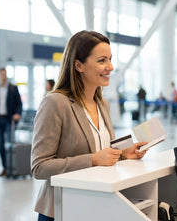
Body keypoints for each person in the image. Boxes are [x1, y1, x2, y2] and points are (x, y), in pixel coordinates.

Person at [31, 31, 148, 221]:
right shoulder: (55, 103)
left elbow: (102, 153)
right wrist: (92, 159)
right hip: (61, 210)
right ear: (78, 65)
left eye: (110, 59)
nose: (110, 67)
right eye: (102, 60)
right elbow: (40, 167)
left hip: (93, 205)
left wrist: (124, 154)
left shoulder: (102, 104)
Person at [0, 68, 22, 177]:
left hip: (9, 120)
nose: (4, 76)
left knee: (10, 144)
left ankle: (13, 167)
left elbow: (19, 104)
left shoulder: (13, 89)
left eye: (5, 74)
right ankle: (5, 168)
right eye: (2, 74)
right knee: (1, 145)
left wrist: (18, 114)